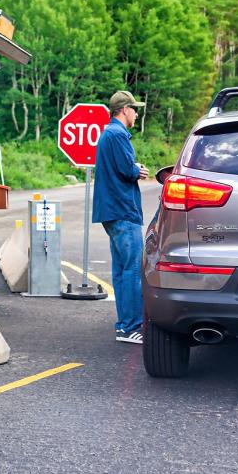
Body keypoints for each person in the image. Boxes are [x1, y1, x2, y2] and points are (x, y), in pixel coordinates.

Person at [93, 89, 149, 344]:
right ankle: (130, 327)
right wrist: (137, 169)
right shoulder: (117, 135)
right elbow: (127, 170)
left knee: (121, 269)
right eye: (134, 109)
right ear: (124, 109)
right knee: (132, 270)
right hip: (123, 210)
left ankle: (123, 325)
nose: (136, 114)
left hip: (112, 211)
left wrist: (133, 168)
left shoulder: (108, 134)